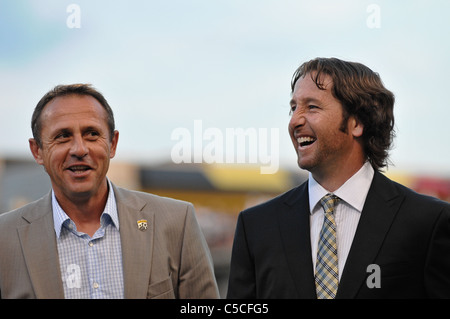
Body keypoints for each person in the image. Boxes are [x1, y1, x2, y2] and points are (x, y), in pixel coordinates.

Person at [227, 57, 450, 298]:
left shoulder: (428, 223)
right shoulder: (256, 227)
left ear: (357, 123)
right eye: (293, 108)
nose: (294, 120)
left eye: (312, 107)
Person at [0, 84, 219, 299]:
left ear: (112, 144)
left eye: (92, 134)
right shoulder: (5, 238)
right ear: (37, 151)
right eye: (63, 136)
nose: (79, 149)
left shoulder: (176, 223)